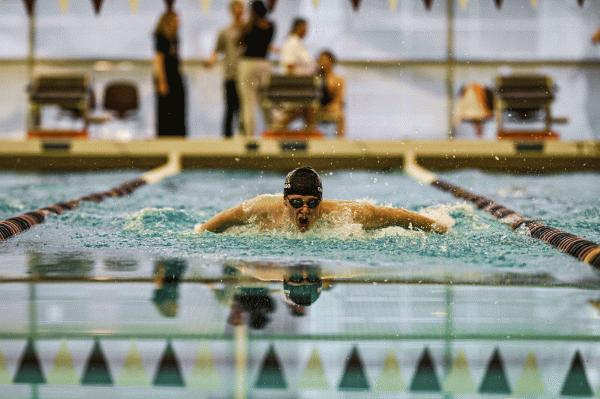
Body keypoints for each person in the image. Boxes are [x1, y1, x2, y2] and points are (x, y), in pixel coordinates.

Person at [195, 166, 449, 234]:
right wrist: (199, 234)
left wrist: (436, 226)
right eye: (296, 203)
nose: (304, 210)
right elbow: (223, 220)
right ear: (285, 202)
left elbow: (394, 216)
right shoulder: (261, 209)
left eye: (312, 203)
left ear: (321, 202)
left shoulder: (341, 214)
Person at [204, 0, 245, 138]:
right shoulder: (225, 32)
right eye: (236, 9)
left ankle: (244, 137)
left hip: (245, 75)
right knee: (230, 108)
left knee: (244, 109)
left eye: (241, 9)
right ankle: (227, 139)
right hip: (230, 75)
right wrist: (211, 61)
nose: (239, 12)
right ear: (231, 11)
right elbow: (216, 51)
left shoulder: (249, 30)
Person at [237, 0, 276, 137]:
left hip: (248, 64)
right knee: (266, 102)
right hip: (265, 64)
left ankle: (248, 136)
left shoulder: (249, 26)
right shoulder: (271, 25)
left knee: (248, 103)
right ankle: (273, 131)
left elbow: (239, 41)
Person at [153, 11, 187, 137]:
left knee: (179, 110)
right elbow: (158, 59)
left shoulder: (175, 37)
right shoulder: (161, 36)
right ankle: (165, 137)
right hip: (166, 77)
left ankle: (179, 136)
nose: (178, 23)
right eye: (176, 20)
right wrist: (162, 81)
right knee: (166, 110)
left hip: (176, 76)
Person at [315, 50, 345, 137]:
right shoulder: (316, 77)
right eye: (321, 60)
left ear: (331, 61)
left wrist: (329, 108)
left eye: (325, 60)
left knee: (340, 114)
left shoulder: (338, 80)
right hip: (316, 108)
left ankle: (340, 140)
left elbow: (339, 100)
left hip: (330, 107)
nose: (323, 62)